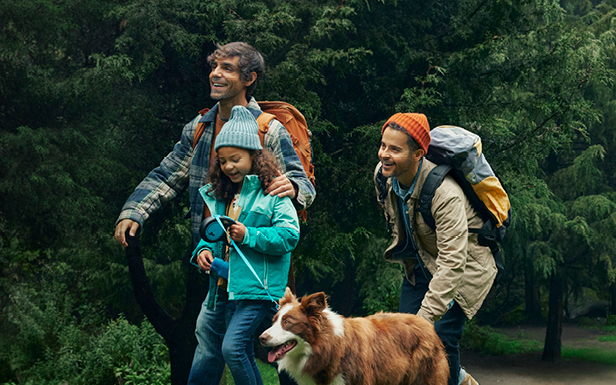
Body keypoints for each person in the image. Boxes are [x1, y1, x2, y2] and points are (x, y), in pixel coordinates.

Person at [113, 42, 313, 384]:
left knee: (281, 346)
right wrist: (134, 211)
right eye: (215, 67)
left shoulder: (268, 129)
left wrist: (294, 189)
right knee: (209, 343)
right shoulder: (200, 128)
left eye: (227, 69)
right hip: (216, 261)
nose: (215, 74)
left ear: (249, 78)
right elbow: (167, 173)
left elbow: (302, 183)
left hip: (259, 264)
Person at [374, 113, 496, 385]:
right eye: (383, 145)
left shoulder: (445, 193)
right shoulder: (384, 177)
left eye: (395, 149)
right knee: (402, 342)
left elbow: (453, 262)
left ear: (418, 154)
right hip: (422, 264)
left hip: (465, 269)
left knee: (439, 338)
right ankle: (461, 380)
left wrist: (424, 320)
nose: (385, 154)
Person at [189, 105, 299, 385]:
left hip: (259, 290)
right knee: (237, 352)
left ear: (254, 155)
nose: (228, 167)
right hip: (229, 288)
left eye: (235, 159)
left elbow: (289, 236)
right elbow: (215, 234)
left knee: (232, 348)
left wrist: (248, 234)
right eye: (223, 161)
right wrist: (202, 250)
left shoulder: (272, 192)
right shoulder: (222, 195)